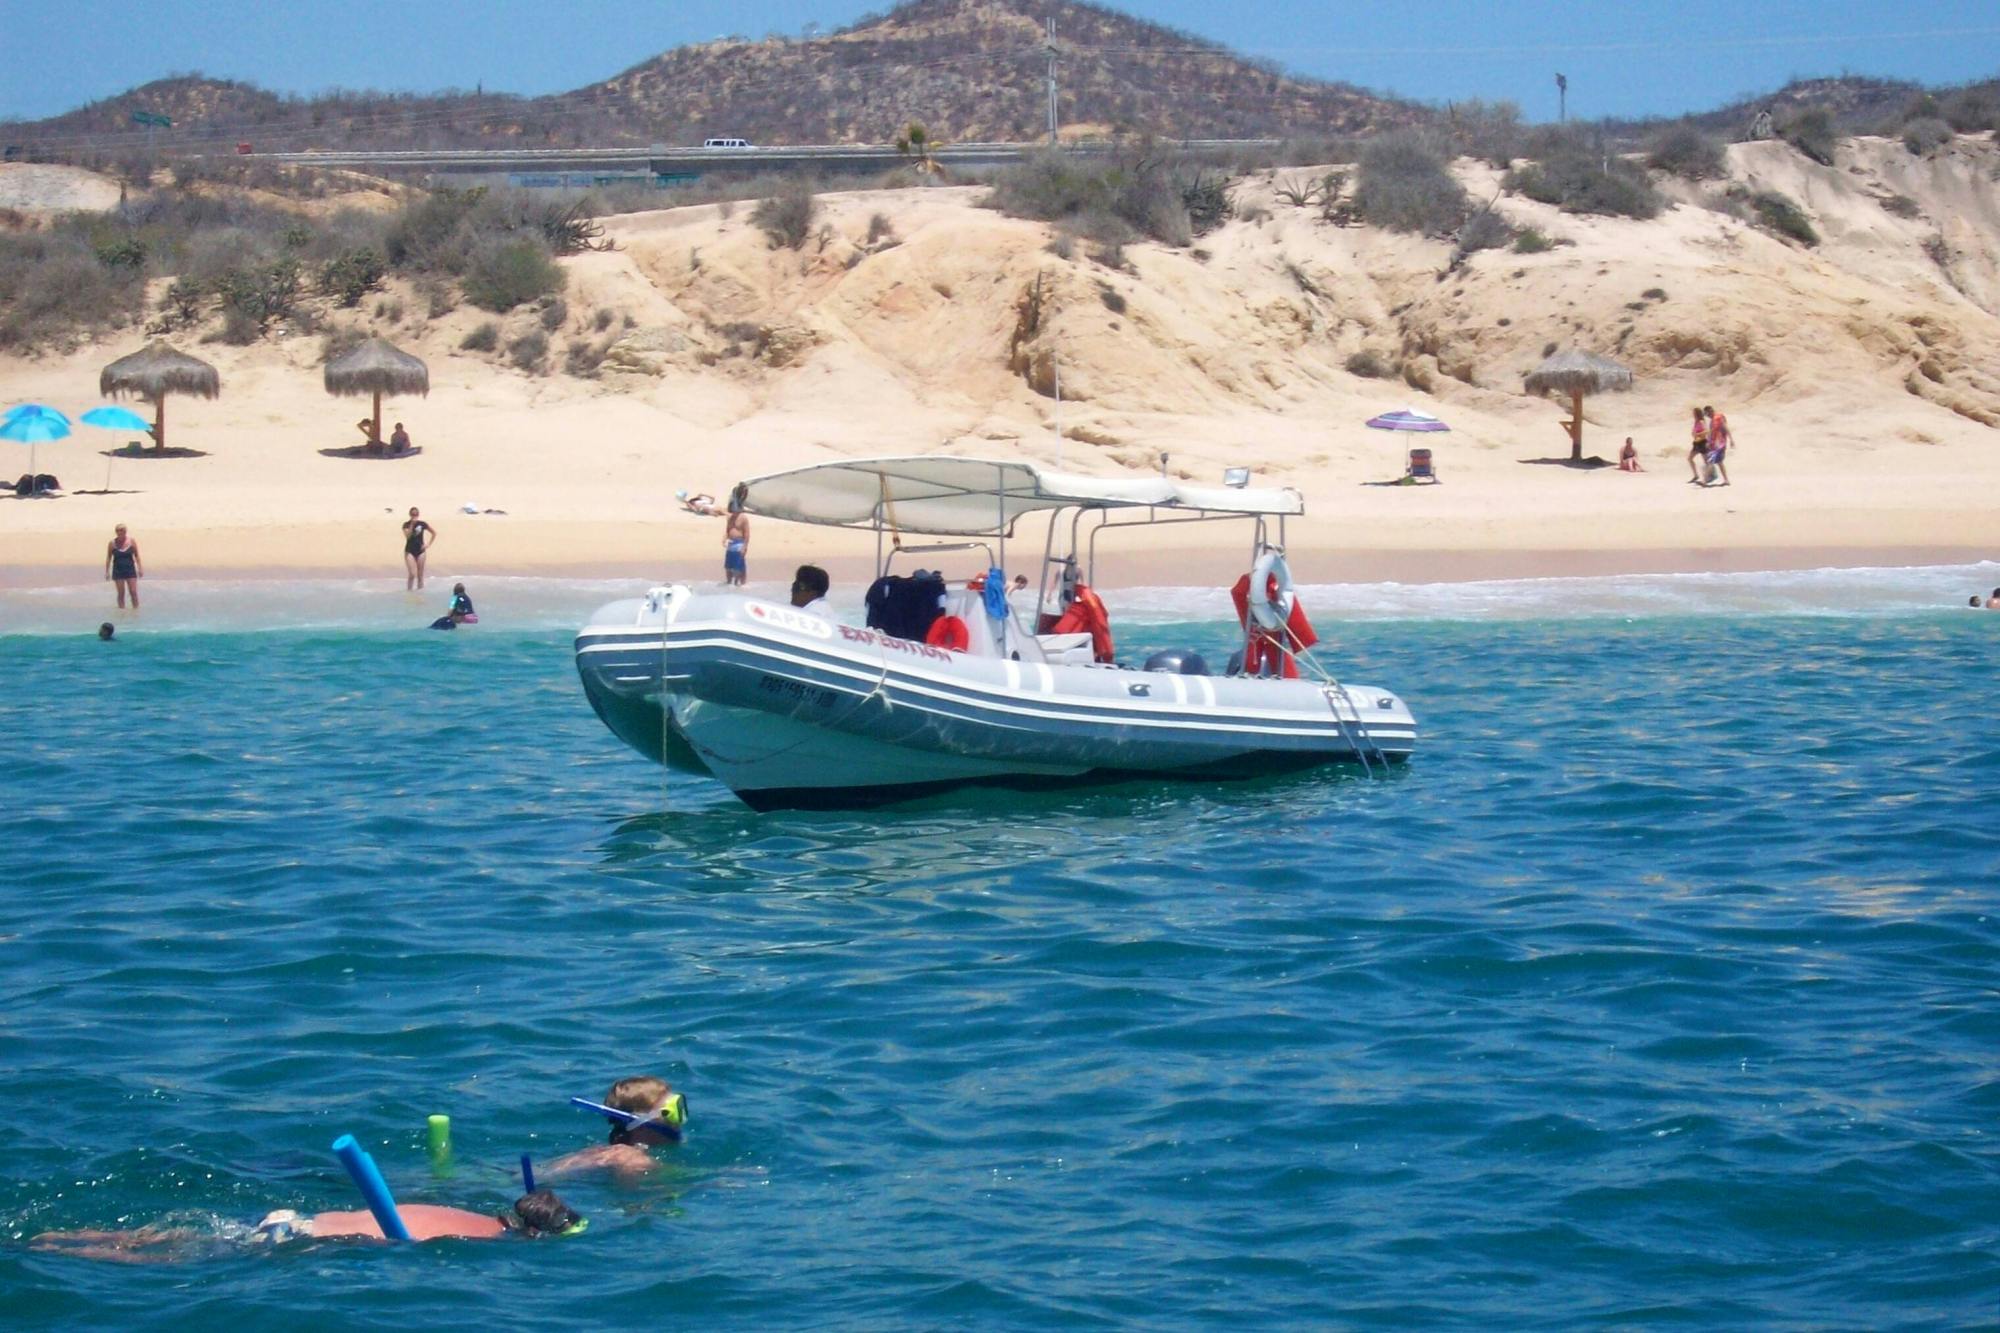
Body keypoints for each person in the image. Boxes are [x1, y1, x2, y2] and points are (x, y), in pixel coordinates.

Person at [31, 1189, 584, 1262]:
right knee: (171, 1258)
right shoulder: (481, 1240)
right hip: (303, 1238)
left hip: (294, 1219)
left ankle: (65, 1236)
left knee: (182, 1237)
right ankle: (62, 1251)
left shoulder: (468, 1213)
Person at [546, 1075, 684, 1180]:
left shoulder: (607, 1152)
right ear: (641, 1125)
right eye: (674, 1113)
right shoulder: (632, 1160)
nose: (680, 1122)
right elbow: (632, 1205)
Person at [105, 523, 143, 609]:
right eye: (118, 530)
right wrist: (107, 572)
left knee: (133, 592)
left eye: (122, 530)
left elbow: (136, 555)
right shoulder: (112, 543)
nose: (121, 532)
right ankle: (121, 612)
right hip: (118, 570)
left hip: (130, 569)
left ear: (125, 531)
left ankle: (136, 610)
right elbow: (108, 557)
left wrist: (140, 568)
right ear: (116, 532)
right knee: (121, 593)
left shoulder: (131, 541)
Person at [402, 507, 435, 591]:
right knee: (412, 574)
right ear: (410, 515)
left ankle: (420, 594)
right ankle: (409, 592)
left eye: (416, 514)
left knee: (420, 575)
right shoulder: (406, 525)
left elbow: (433, 533)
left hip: (421, 551)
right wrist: (412, 525)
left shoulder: (422, 524)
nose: (414, 516)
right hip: (409, 551)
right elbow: (408, 536)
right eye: (413, 514)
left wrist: (428, 544)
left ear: (418, 514)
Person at [723, 496, 750, 587]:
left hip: (739, 543)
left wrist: (744, 546)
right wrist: (724, 539)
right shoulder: (729, 518)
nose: (735, 513)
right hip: (731, 543)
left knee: (739, 566)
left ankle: (741, 584)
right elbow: (727, 530)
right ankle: (729, 583)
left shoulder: (743, 518)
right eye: (733, 511)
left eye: (736, 511)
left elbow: (747, 534)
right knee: (728, 566)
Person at [1704, 410, 1732, 487]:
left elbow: (1726, 428)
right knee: (1719, 462)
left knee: (1710, 461)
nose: (1707, 416)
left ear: (1710, 411)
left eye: (1707, 414)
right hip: (1715, 445)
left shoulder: (1718, 418)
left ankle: (1705, 480)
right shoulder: (1712, 421)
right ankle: (1726, 480)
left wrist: (1731, 439)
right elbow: (1711, 433)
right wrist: (1709, 442)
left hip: (1719, 445)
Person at [1687, 407, 1710, 484]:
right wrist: (1693, 434)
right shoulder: (1696, 422)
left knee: (1706, 462)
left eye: (1694, 413)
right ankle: (1696, 475)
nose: (1693, 414)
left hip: (1703, 442)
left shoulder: (1701, 421)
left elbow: (1706, 431)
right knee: (1690, 458)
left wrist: (1697, 434)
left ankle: (1705, 479)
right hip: (1697, 443)